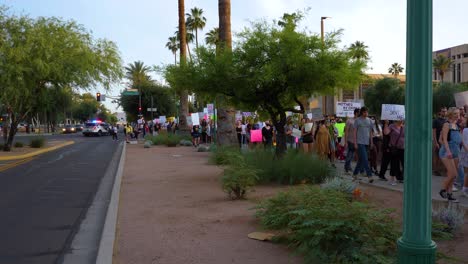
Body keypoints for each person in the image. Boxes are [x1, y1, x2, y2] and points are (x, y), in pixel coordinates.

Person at [439, 107, 462, 203]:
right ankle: (442, 190)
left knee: (452, 175)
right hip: (447, 152)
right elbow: (443, 139)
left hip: (456, 152)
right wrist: (448, 151)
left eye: (458, 113)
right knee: (453, 174)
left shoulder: (456, 125)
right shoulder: (446, 124)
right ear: (450, 114)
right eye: (455, 113)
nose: (457, 115)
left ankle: (450, 195)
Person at [353, 107, 374, 183]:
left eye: (367, 112)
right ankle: (370, 175)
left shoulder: (370, 121)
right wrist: (355, 143)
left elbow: (371, 133)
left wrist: (371, 142)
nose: (366, 113)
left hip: (367, 143)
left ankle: (355, 174)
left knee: (361, 160)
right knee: (365, 159)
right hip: (360, 142)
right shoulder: (357, 120)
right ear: (362, 112)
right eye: (365, 112)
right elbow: (354, 132)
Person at [384, 120, 405, 185]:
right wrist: (386, 124)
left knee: (405, 163)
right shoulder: (392, 126)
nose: (402, 120)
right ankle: (392, 179)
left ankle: (401, 177)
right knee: (394, 164)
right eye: (401, 119)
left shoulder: (404, 127)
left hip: (403, 148)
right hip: (394, 148)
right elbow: (386, 133)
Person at [433, 107, 448, 176]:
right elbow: (434, 132)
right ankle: (436, 170)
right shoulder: (436, 120)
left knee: (445, 156)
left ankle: (444, 170)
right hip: (438, 141)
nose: (444, 112)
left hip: (446, 141)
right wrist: (436, 142)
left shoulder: (447, 121)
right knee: (437, 156)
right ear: (440, 112)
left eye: (445, 111)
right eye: (443, 111)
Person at [344, 109, 360, 174]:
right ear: (356, 113)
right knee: (350, 154)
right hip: (350, 140)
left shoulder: (359, 121)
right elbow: (346, 131)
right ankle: (347, 167)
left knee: (352, 155)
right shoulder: (349, 121)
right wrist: (346, 141)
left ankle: (348, 166)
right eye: (359, 113)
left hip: (356, 141)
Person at [458, 115, 468, 197]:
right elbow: (462, 141)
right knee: (466, 172)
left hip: (465, 152)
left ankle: (464, 189)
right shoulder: (465, 130)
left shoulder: (464, 130)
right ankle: (464, 189)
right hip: (466, 153)